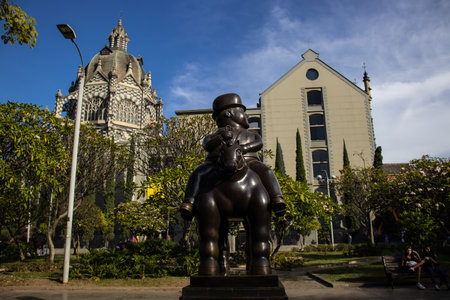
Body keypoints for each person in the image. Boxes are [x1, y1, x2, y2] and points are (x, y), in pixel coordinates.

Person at [180, 93, 286, 220]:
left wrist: (244, 148)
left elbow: (259, 143)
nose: (246, 115)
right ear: (228, 114)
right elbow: (207, 145)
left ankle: (276, 197)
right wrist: (220, 138)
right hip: (214, 163)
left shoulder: (250, 134)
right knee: (197, 173)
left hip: (249, 161)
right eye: (242, 111)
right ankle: (189, 202)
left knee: (267, 171)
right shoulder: (214, 136)